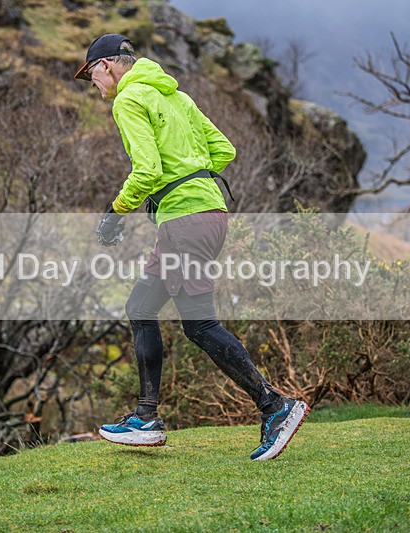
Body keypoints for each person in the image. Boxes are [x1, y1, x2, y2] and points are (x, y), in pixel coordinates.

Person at [75, 34, 309, 460]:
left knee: (199, 325)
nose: (91, 81)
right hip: (208, 215)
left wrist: (115, 212)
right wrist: (188, 181)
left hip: (186, 223)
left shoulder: (127, 101)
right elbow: (223, 150)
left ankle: (276, 407)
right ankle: (146, 418)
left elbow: (146, 171)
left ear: (107, 65)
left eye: (90, 72)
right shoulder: (176, 96)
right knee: (141, 307)